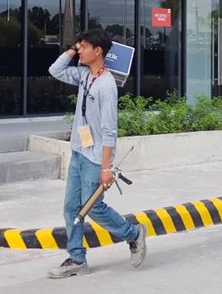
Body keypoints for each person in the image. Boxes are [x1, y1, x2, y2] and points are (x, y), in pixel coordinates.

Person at [47, 29, 146, 279]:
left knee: (94, 208)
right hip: (79, 152)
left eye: (83, 46)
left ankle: (133, 234)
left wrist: (105, 167)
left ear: (98, 51)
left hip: (95, 158)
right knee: (71, 208)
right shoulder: (83, 74)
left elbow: (109, 130)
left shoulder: (106, 85)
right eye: (78, 46)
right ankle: (77, 259)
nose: (79, 50)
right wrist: (71, 48)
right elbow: (55, 70)